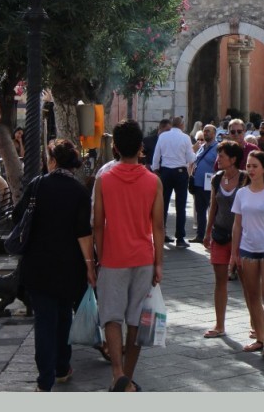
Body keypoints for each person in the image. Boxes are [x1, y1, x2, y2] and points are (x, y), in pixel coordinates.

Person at [13, 139, 95, 391]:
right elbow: (84, 233)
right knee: (63, 316)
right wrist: (90, 266)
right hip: (70, 267)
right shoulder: (80, 191)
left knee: (44, 321)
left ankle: (44, 380)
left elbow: (18, 216)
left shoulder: (38, 185)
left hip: (38, 266)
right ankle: (62, 366)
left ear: (53, 160)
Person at [94, 119, 163, 391]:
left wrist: (98, 256)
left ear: (115, 147)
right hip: (143, 257)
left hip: (112, 257)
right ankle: (129, 377)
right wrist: (159, 263)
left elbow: (98, 223)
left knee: (112, 317)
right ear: (141, 147)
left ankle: (117, 373)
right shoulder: (153, 181)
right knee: (136, 319)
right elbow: (157, 226)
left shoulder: (104, 180)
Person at [230, 150, 264, 360]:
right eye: (249, 166)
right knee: (252, 295)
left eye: (255, 166)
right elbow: (237, 226)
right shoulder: (242, 193)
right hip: (247, 250)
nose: (251, 170)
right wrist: (234, 254)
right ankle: (260, 338)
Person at [202, 140, 246, 338]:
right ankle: (219, 325)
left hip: (243, 238)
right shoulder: (217, 179)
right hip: (220, 235)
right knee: (220, 281)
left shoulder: (245, 179)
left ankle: (256, 324)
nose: (217, 159)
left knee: (248, 282)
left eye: (222, 156)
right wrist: (207, 232)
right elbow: (214, 206)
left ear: (233, 159)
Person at [151, 115, 195, 247]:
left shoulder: (163, 136)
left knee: (162, 204)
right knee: (181, 206)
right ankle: (180, 238)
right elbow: (191, 158)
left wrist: (156, 169)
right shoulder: (186, 138)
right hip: (180, 172)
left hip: (165, 172)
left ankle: (162, 233)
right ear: (182, 125)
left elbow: (156, 155)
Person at [190, 124, 218, 243]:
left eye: (208, 131)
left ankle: (213, 236)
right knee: (200, 211)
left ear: (214, 133)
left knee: (212, 210)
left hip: (210, 184)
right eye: (204, 131)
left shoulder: (218, 147)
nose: (205, 133)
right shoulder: (202, 147)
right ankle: (200, 235)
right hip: (199, 184)